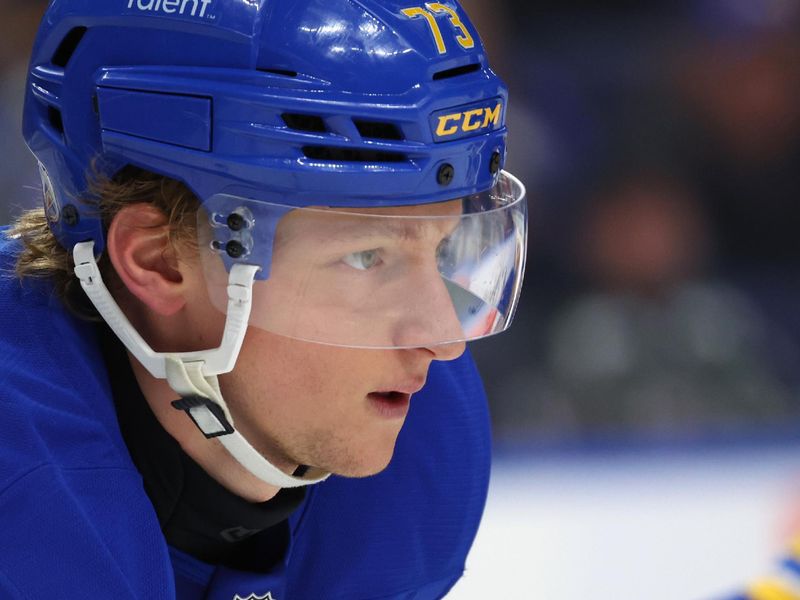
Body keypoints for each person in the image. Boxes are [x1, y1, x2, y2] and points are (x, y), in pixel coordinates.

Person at [0, 1, 527, 598]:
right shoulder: (22, 489)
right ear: (161, 261)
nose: (444, 338)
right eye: (365, 257)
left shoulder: (425, 452)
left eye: (443, 249)